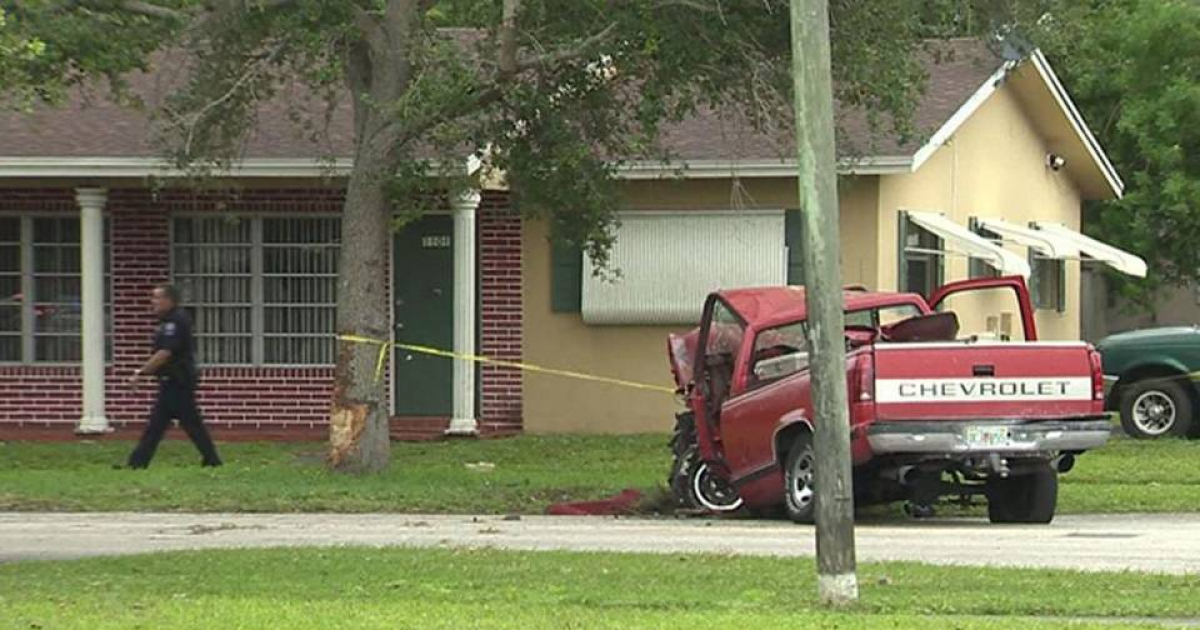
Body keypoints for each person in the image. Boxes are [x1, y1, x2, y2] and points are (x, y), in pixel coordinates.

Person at [124, 284, 222, 469]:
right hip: (171, 382)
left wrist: (141, 373)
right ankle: (137, 462)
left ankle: (212, 460)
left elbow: (165, 353)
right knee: (159, 425)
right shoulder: (168, 320)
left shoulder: (175, 322)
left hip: (178, 382)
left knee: (187, 425)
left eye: (157, 298)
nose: (153, 302)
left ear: (169, 300)